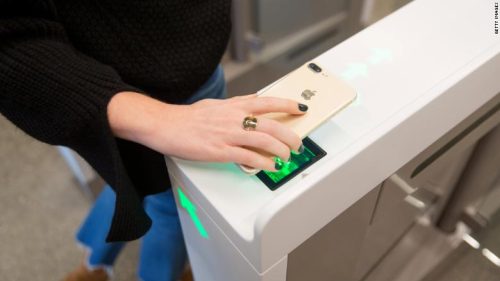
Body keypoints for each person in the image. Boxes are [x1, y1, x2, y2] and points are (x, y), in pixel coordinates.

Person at [0, 1, 307, 281]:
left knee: (129, 179)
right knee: (174, 205)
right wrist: (159, 119)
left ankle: (93, 266)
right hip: (140, 86)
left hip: (138, 73)